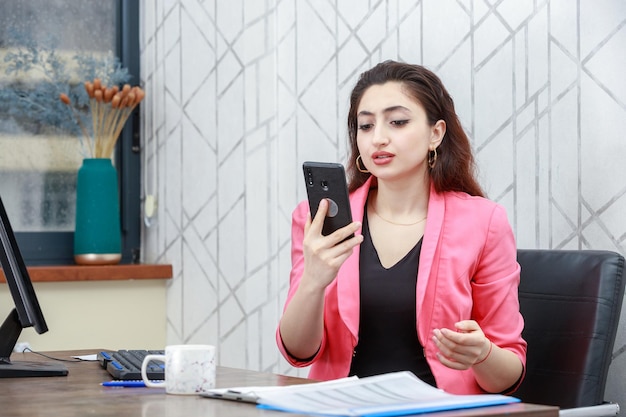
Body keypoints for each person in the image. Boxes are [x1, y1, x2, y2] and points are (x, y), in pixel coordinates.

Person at [276, 60, 526, 395]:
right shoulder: (318, 218)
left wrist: (482, 354)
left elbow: (508, 374)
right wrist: (313, 281)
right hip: (341, 407)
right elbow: (298, 353)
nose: (378, 138)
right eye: (365, 126)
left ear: (435, 133)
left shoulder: (484, 222)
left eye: (397, 122)